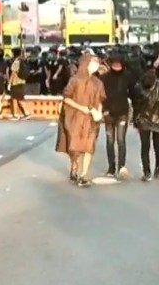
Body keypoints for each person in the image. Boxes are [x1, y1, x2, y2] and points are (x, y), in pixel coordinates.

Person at [55, 53, 106, 188]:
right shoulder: (75, 80)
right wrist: (81, 108)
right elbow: (66, 98)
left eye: (97, 62)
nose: (95, 65)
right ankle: (74, 166)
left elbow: (100, 99)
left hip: (91, 119)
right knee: (75, 147)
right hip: (75, 118)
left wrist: (98, 113)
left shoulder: (98, 82)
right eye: (93, 62)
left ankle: (84, 175)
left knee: (89, 146)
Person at [98, 53, 136, 179]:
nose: (117, 67)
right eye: (114, 64)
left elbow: (133, 93)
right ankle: (111, 167)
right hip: (108, 113)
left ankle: (121, 167)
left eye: (119, 64)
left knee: (121, 141)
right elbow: (101, 96)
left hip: (122, 113)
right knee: (110, 141)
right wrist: (104, 109)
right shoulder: (104, 78)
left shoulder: (128, 77)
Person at [132, 69, 159, 181]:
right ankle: (158, 169)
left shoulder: (139, 88)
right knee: (158, 146)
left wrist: (135, 120)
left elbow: (136, 107)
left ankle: (147, 172)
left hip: (144, 120)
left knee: (145, 146)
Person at [7, 48, 30, 120]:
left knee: (14, 99)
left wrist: (9, 83)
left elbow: (13, 73)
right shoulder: (22, 61)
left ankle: (15, 115)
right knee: (20, 99)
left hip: (16, 82)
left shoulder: (16, 62)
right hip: (22, 82)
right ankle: (26, 113)